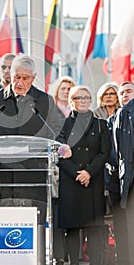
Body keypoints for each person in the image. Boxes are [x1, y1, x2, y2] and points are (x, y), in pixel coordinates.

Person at [0, 54, 63, 264]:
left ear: (33, 78)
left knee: (33, 224)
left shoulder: (44, 101)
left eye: (25, 78)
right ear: (9, 75)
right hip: (1, 175)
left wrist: (33, 147)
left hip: (33, 175)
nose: (19, 82)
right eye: (16, 77)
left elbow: (56, 133)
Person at [57, 85, 111, 265]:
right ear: (71, 101)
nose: (83, 101)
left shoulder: (100, 124)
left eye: (87, 98)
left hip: (93, 181)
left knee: (94, 228)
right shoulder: (62, 125)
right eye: (79, 98)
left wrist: (89, 172)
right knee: (72, 228)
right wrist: (77, 173)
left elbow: (104, 153)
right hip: (71, 181)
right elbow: (58, 154)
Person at [50, 76, 76, 265]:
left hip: (75, 170)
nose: (66, 91)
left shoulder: (78, 114)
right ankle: (58, 255)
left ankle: (74, 255)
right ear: (57, 91)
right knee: (58, 215)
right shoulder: (50, 113)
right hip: (57, 171)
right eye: (63, 88)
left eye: (70, 89)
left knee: (74, 215)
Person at [93, 82, 120, 265]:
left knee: (118, 214)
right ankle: (102, 253)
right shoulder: (96, 115)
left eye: (112, 93)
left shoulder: (124, 113)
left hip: (118, 170)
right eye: (106, 93)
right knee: (101, 215)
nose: (109, 96)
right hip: (100, 169)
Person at [113, 81, 134, 264]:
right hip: (128, 178)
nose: (124, 95)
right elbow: (117, 150)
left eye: (128, 91)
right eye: (121, 93)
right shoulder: (120, 115)